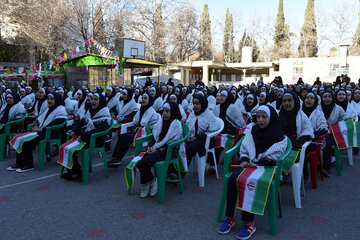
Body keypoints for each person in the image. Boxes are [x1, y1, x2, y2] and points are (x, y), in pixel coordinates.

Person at [218, 105, 287, 240]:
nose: (260, 120)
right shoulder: (253, 129)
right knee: (232, 178)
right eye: (258, 117)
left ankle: (249, 222)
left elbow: (276, 153)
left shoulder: (278, 134)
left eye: (264, 117)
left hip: (266, 167)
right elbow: (245, 147)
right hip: (250, 164)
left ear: (271, 118)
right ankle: (229, 217)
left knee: (249, 180)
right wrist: (243, 159)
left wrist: (258, 163)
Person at [7, 92, 67, 172]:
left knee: (25, 142)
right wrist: (37, 124)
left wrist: (42, 129)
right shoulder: (51, 108)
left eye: (52, 99)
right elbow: (42, 118)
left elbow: (57, 123)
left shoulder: (60, 110)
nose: (49, 101)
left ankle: (28, 165)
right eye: (48, 99)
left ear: (57, 100)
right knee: (19, 138)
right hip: (44, 131)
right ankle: (19, 163)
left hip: (50, 133)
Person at [136, 101, 183, 198]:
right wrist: (150, 146)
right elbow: (155, 138)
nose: (164, 114)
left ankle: (147, 184)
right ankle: (152, 180)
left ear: (173, 112)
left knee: (144, 161)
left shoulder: (176, 124)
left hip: (168, 151)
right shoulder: (161, 122)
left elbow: (171, 143)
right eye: (163, 111)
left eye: (167, 111)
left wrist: (156, 149)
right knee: (138, 159)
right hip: (157, 148)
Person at [63, 93, 112, 180]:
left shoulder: (104, 112)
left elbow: (100, 130)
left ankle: (75, 172)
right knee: (66, 147)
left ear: (101, 101)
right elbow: (81, 122)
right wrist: (75, 130)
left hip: (96, 139)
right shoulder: (90, 111)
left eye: (95, 99)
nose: (92, 101)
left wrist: (83, 134)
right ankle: (77, 170)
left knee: (72, 149)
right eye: (92, 99)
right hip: (88, 136)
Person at [107, 93, 159, 167]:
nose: (143, 100)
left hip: (146, 133)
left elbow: (144, 123)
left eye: (145, 98)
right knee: (122, 136)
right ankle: (116, 158)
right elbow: (135, 120)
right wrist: (136, 126)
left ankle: (118, 158)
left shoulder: (151, 110)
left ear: (149, 100)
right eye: (142, 98)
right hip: (139, 130)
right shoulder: (141, 109)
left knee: (128, 137)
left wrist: (139, 127)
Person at [320, 91, 346, 176]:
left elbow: (344, 120)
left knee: (327, 140)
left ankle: (326, 168)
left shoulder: (338, 108)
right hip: (320, 131)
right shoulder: (318, 108)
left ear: (332, 98)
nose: (327, 99)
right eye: (325, 97)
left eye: (329, 97)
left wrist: (335, 127)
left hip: (335, 133)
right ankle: (318, 162)